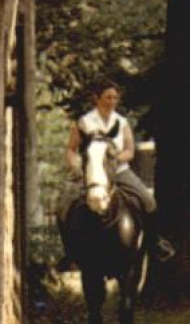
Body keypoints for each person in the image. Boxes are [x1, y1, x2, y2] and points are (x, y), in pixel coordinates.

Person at [59, 79, 175, 269]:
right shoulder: (84, 122)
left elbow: (130, 150)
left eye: (114, 97)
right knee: (65, 203)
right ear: (97, 98)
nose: (111, 101)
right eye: (107, 97)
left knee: (148, 201)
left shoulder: (121, 123)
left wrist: (113, 160)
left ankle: (154, 242)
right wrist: (76, 165)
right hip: (90, 173)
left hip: (119, 172)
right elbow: (71, 148)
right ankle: (69, 251)